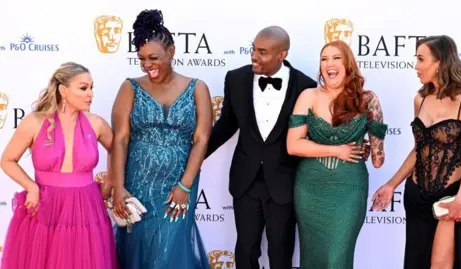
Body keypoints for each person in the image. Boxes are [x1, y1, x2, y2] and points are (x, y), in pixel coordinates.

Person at [205, 27, 369, 269]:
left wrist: (357, 145)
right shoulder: (236, 79)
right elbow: (226, 126)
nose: (254, 56)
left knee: (281, 254)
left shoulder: (304, 85)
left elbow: (319, 131)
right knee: (246, 250)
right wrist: (195, 156)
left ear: (282, 54)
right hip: (245, 179)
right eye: (253, 49)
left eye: (262, 52)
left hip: (285, 181)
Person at [110, 9, 212, 269]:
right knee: (140, 250)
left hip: (178, 185)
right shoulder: (129, 87)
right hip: (138, 185)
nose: (147, 65)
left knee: (171, 251)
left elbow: (201, 139)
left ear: (172, 51)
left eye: (154, 57)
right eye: (142, 59)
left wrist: (186, 187)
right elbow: (120, 139)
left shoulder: (197, 87)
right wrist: (119, 187)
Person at [372, 35, 461, 269]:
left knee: (441, 265)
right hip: (416, 195)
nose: (416, 66)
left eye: (421, 59)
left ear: (440, 61)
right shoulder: (420, 99)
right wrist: (391, 184)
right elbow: (419, 150)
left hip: (450, 196)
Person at [0, 62, 118, 269]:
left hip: (86, 207)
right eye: (83, 88)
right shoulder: (34, 122)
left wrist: (109, 184)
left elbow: (118, 150)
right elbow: (7, 160)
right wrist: (31, 187)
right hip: (46, 206)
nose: (90, 94)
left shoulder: (96, 123)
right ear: (63, 90)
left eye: (92, 88)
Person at [286, 40, 387, 269]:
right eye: (324, 59)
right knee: (312, 259)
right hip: (310, 189)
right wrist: (336, 150)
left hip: (349, 189)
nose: (329, 64)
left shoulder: (367, 99)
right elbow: (293, 146)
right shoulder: (308, 96)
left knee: (337, 259)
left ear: (348, 64)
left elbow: (378, 161)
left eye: (336, 58)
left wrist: (373, 138)